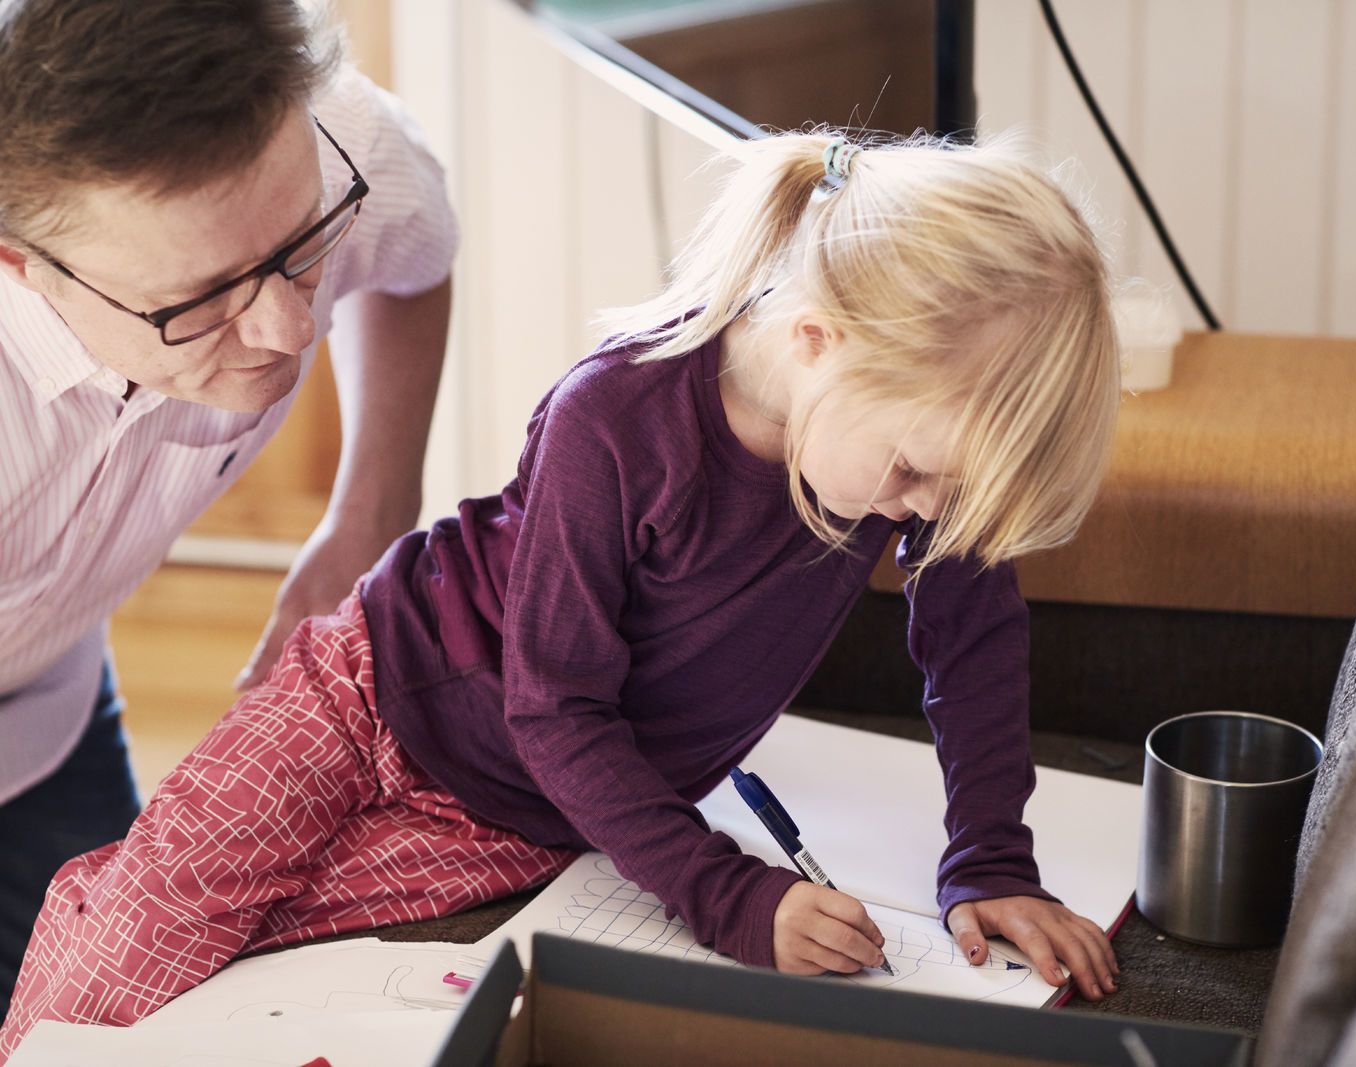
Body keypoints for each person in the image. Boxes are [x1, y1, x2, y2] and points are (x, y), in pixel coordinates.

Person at [0, 128, 1122, 1056]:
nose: (923, 507)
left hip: (523, 807)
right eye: (917, 472)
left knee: (250, 963)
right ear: (821, 344)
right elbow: (557, 700)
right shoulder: (619, 417)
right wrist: (728, 892)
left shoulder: (911, 449)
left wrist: (989, 859)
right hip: (372, 690)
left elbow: (970, 648)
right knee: (135, 945)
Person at [0, 0, 456, 1023]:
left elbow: (414, 259)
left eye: (302, 247)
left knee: (121, 1029)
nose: (289, 327)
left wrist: (372, 506)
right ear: (22, 265)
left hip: (54, 708)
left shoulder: (340, 144)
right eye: (200, 299)